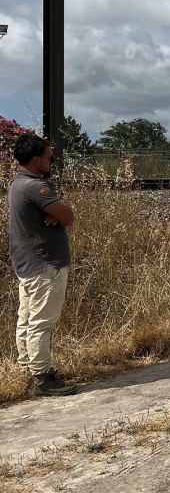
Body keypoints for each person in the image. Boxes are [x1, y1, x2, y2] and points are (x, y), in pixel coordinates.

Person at [9, 133, 77, 396]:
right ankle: (43, 377)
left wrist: (54, 215)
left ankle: (28, 366)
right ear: (37, 160)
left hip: (27, 262)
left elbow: (58, 215)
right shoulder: (38, 187)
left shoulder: (17, 184)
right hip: (46, 263)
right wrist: (58, 214)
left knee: (25, 319)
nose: (52, 161)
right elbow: (68, 216)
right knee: (42, 322)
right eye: (49, 157)